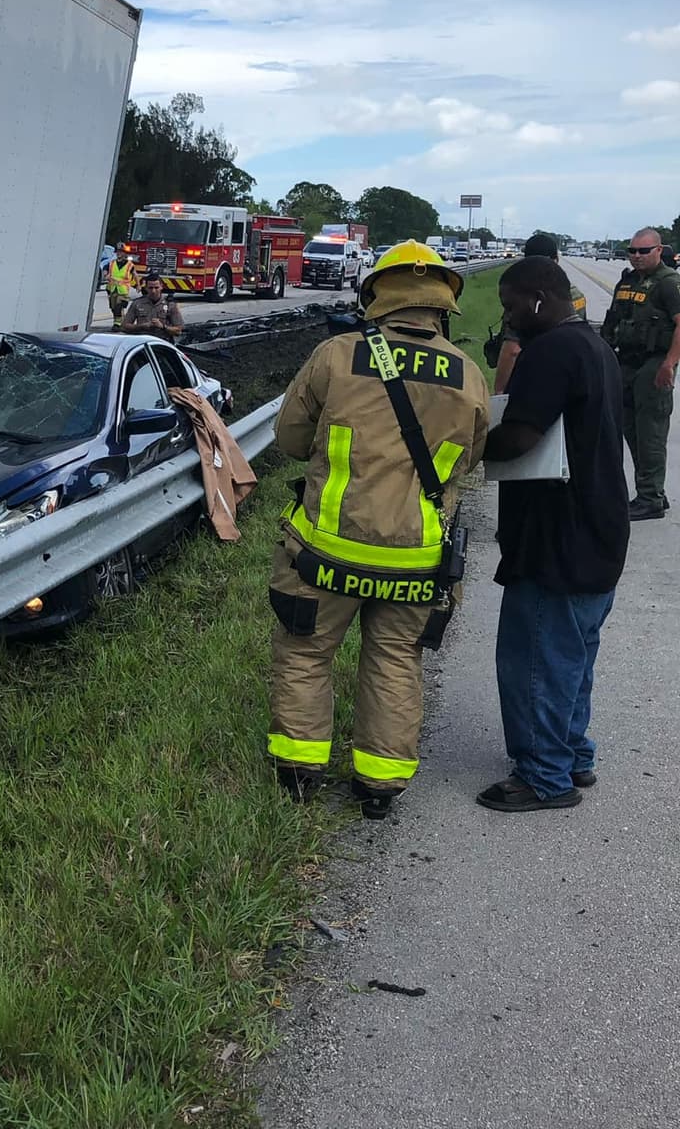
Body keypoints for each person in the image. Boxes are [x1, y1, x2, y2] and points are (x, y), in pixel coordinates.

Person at [266, 242, 490, 819]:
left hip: (324, 552)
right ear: (445, 305)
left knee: (306, 654)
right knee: (395, 660)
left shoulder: (337, 355)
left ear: (376, 296)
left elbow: (290, 441)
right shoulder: (468, 375)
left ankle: (298, 771)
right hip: (415, 562)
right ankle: (379, 785)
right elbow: (469, 462)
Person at [479, 258, 628, 811]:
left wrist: (464, 447)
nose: (506, 314)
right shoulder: (594, 346)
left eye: (511, 303)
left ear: (540, 297)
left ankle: (545, 777)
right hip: (599, 528)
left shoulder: (550, 352)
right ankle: (574, 754)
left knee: (537, 659)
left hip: (555, 537)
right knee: (572, 657)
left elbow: (518, 437)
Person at [600, 226, 680, 519]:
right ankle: (652, 490)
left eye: (643, 251)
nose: (636, 256)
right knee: (630, 430)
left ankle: (650, 499)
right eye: (631, 251)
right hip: (626, 363)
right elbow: (613, 322)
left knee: (651, 433)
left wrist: (669, 364)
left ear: (659, 250)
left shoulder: (668, 283)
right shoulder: (628, 281)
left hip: (654, 364)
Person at [492, 233, 585, 395]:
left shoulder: (523, 297)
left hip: (534, 380)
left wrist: (500, 392)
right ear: (556, 259)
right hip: (572, 381)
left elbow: (512, 349)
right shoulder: (576, 294)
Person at [122, 274, 184, 341]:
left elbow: (178, 330)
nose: (153, 291)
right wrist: (141, 326)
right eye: (150, 288)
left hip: (163, 342)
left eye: (156, 288)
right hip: (143, 341)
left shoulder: (170, 304)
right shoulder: (137, 303)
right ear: (146, 288)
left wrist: (163, 327)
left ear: (161, 287)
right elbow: (124, 327)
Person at [105, 243, 138, 325]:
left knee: (118, 307)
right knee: (113, 307)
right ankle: (120, 321)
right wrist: (106, 275)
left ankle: (117, 324)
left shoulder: (130, 265)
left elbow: (135, 274)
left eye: (121, 252)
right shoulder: (112, 263)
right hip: (112, 289)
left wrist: (138, 285)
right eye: (118, 252)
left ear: (125, 253)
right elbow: (105, 270)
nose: (119, 253)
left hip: (123, 290)